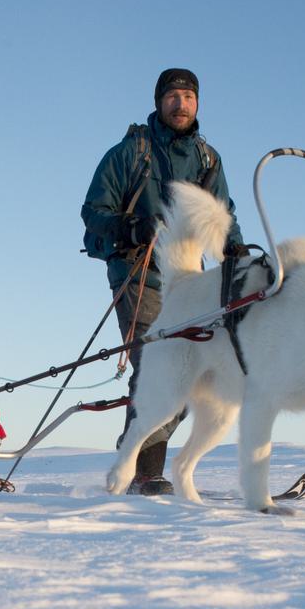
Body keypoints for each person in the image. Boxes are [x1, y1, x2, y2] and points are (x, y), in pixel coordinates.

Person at [80, 68, 243, 495]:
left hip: (191, 283)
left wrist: (238, 257)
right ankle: (146, 470)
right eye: (173, 95)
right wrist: (133, 228)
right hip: (139, 275)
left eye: (189, 96)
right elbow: (94, 210)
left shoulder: (209, 159)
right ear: (159, 101)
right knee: (159, 365)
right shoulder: (131, 152)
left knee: (192, 371)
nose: (181, 103)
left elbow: (222, 216)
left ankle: (132, 455)